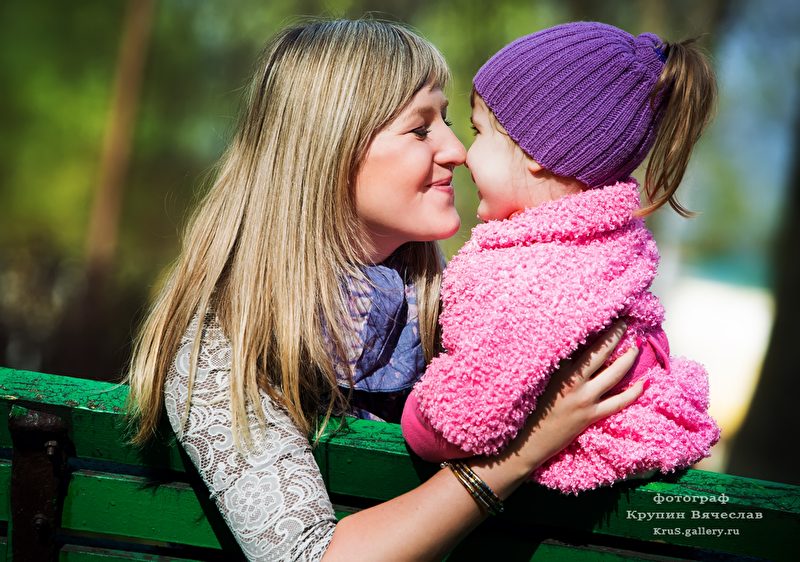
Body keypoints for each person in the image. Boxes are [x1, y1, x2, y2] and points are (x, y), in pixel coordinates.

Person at [125, 19, 644, 561]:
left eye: (448, 121)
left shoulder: (472, 309)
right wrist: (517, 456)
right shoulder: (227, 340)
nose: (457, 150)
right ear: (329, 148)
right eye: (420, 129)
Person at [401, 22, 721, 494]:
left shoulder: (536, 280)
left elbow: (469, 412)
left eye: (478, 131)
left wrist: (417, 420)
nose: (465, 155)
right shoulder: (601, 253)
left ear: (537, 151)